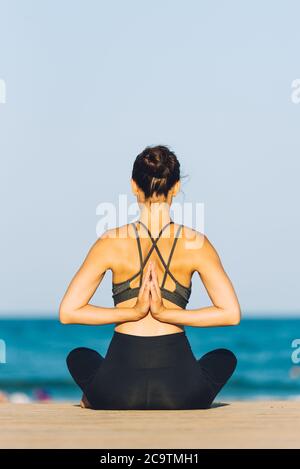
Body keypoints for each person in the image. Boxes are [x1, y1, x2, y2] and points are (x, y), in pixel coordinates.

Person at [59, 145, 241, 410]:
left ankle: (93, 396)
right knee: (224, 358)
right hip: (181, 393)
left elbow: (68, 312)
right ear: (176, 187)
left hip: (116, 392)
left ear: (134, 186)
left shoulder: (109, 242)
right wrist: (168, 314)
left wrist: (131, 312)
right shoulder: (197, 244)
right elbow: (230, 314)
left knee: (79, 356)